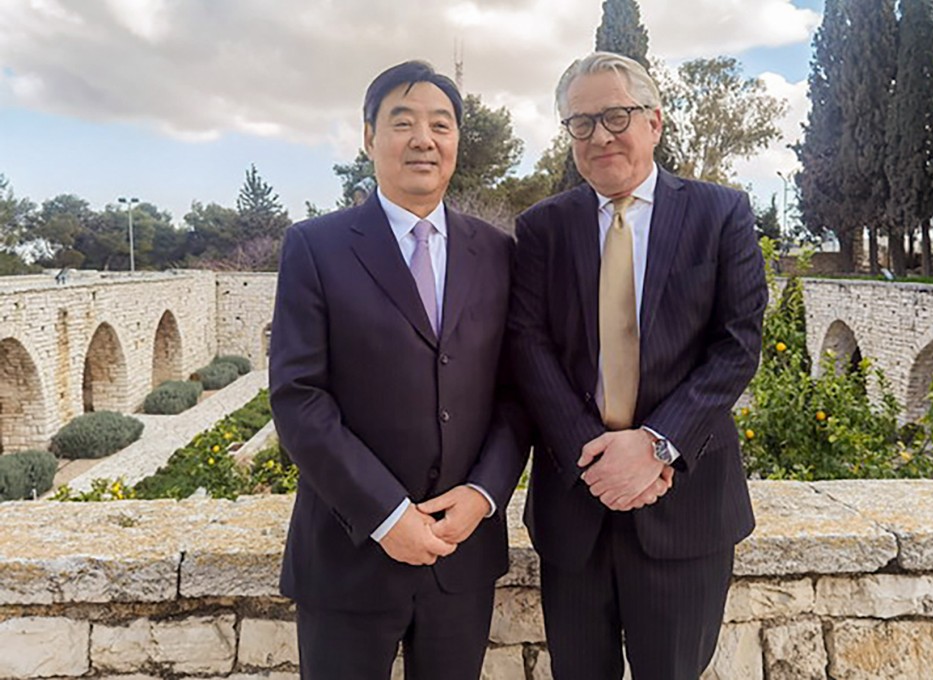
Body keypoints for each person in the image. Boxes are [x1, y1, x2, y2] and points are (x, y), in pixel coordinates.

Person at [508, 52, 767, 679]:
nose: (600, 135)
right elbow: (528, 344)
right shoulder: (542, 228)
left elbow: (737, 344)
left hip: (687, 507)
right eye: (581, 122)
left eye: (616, 116)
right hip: (576, 507)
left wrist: (656, 445)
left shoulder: (720, 213)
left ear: (654, 121)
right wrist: (594, 454)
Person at [269, 60, 529, 680]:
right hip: (348, 555)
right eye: (403, 122)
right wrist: (388, 515)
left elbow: (517, 394)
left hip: (460, 557)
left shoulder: (497, 252)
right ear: (368, 137)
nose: (424, 139)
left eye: (441, 124)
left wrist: (484, 494)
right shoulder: (315, 247)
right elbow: (298, 397)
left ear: (457, 143)